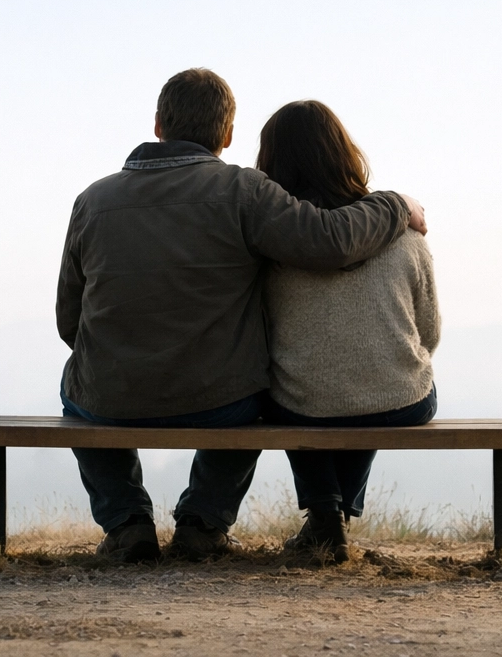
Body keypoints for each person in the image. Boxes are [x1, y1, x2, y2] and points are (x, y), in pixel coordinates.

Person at [56, 69, 426, 562]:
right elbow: (331, 242)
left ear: (159, 124)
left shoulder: (92, 200)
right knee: (258, 396)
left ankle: (126, 522)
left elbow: (68, 318)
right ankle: (204, 522)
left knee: (77, 392)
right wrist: (395, 203)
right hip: (220, 401)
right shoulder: (243, 191)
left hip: (110, 395)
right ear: (227, 135)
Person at [257, 100, 441, 565]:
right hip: (402, 402)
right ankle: (335, 517)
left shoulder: (269, 244)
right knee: (372, 387)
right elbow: (429, 331)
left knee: (298, 396)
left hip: (302, 405)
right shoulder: (406, 235)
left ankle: (325, 516)